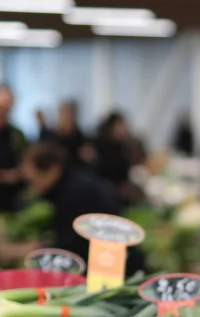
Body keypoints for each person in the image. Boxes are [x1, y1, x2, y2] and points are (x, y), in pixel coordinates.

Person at [20, 142, 144, 272]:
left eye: (34, 180)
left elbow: (71, 244)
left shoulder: (75, 193)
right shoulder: (70, 183)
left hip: (115, 267)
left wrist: (34, 249)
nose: (32, 188)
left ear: (53, 169)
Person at [0, 85, 28, 213]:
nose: (4, 113)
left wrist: (17, 174)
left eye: (7, 109)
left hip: (14, 198)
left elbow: (27, 162)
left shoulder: (17, 134)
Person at [39, 100, 93, 164]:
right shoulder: (49, 137)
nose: (67, 118)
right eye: (64, 114)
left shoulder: (83, 139)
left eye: (69, 114)